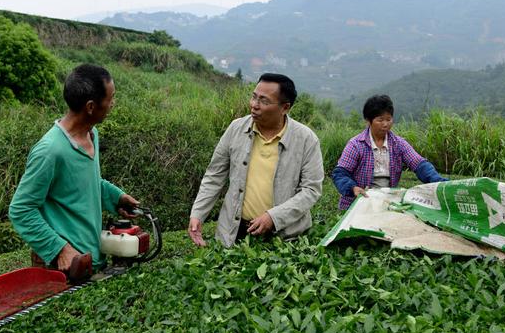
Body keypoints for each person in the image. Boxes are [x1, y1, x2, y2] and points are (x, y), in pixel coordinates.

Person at [9, 64, 139, 271]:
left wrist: (115, 197)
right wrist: (60, 249)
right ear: (90, 107)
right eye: (110, 98)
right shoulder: (50, 150)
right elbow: (21, 209)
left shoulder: (91, 134)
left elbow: (81, 184)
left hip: (92, 262)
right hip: (64, 267)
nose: (113, 104)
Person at [188, 73, 324, 247]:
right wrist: (198, 213)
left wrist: (273, 217)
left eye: (264, 101)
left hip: (285, 238)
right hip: (234, 232)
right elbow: (214, 175)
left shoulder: (306, 139)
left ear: (285, 108)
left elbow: (311, 190)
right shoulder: (236, 128)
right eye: (254, 97)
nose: (254, 105)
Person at [332, 94, 447, 210]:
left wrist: (440, 183)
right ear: (368, 121)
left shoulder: (398, 143)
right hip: (358, 203)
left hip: (387, 202)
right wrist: (353, 188)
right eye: (380, 120)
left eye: (388, 119)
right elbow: (340, 173)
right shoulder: (356, 144)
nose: (385, 124)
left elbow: (419, 164)